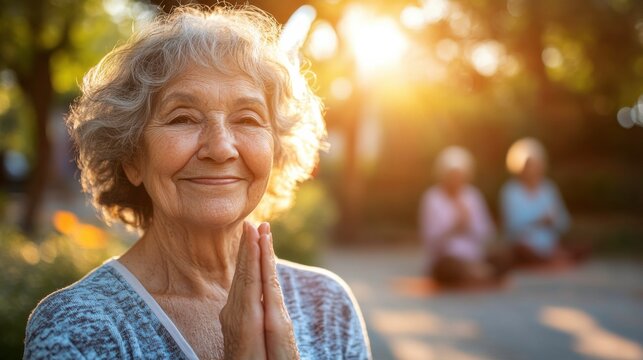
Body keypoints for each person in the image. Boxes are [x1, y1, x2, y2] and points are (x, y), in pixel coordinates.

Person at [24, 6, 371, 359]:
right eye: (183, 118)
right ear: (131, 158)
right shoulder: (77, 330)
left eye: (248, 119)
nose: (220, 148)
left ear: (276, 149)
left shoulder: (328, 306)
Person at [419, 146, 502, 288]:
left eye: (459, 175)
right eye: (451, 175)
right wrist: (453, 227)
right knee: (446, 267)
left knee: (502, 255)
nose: (455, 180)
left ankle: (476, 271)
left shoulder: (473, 196)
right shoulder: (432, 198)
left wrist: (469, 225)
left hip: (475, 256)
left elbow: (488, 233)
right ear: (443, 175)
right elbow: (430, 240)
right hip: (447, 259)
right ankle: (478, 273)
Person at [500, 137, 571, 266]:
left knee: (580, 247)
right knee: (522, 251)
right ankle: (551, 260)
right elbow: (511, 227)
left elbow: (564, 223)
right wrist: (538, 221)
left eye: (535, 165)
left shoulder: (549, 189)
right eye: (529, 165)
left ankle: (552, 257)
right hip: (524, 247)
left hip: (549, 245)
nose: (532, 170)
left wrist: (553, 221)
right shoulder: (510, 191)